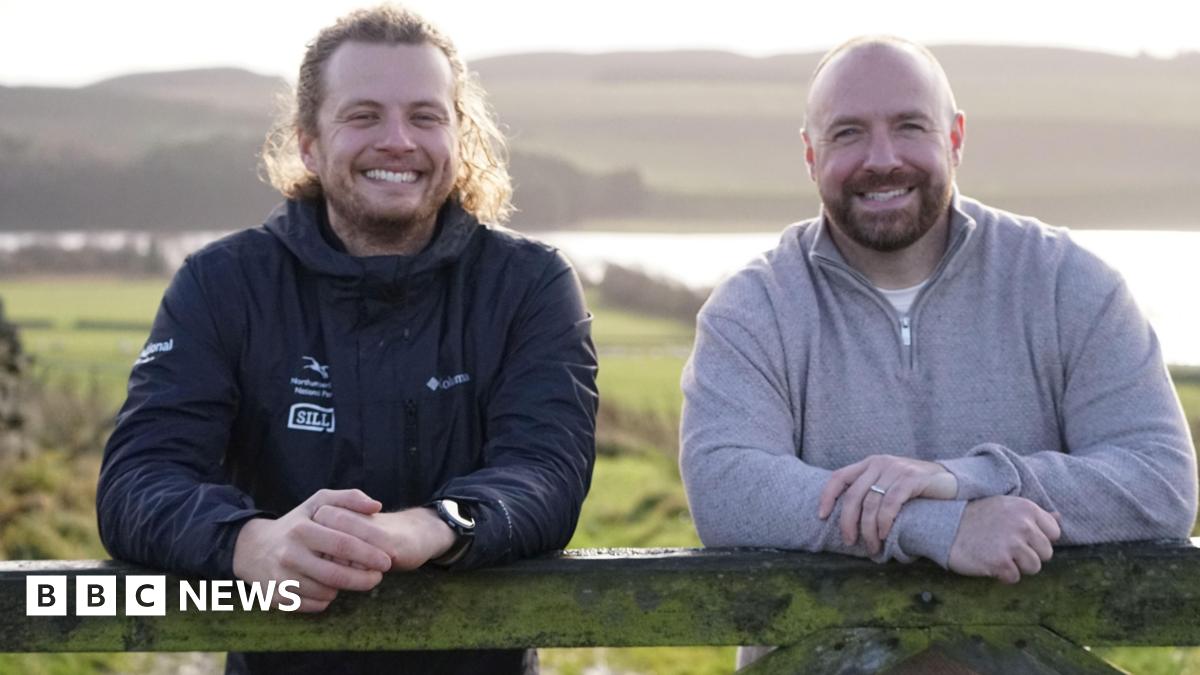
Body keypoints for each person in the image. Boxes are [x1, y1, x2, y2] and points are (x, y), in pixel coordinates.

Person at [96, 6, 598, 674]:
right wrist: (250, 544)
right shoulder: (222, 283)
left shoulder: (529, 284)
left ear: (458, 135)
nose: (398, 140)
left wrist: (429, 526)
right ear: (308, 142)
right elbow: (137, 478)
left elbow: (547, 471)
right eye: (364, 115)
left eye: (426, 115)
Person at [681, 36, 1196, 587]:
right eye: (848, 132)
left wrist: (961, 478)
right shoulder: (752, 306)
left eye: (910, 126)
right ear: (811, 156)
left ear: (955, 138)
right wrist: (938, 525)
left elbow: (1159, 481)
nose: (882, 159)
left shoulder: (1068, 284)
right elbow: (725, 488)